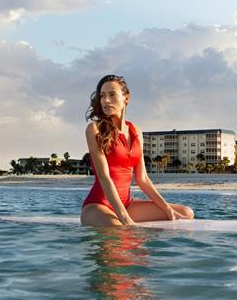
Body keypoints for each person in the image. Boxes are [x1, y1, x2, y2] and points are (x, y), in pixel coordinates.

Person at [80, 74, 194, 227]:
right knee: (121, 231)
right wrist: (125, 218)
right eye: (102, 96)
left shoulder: (135, 131)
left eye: (112, 94)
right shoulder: (94, 129)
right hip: (98, 206)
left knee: (186, 213)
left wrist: (167, 209)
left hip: (127, 204)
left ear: (126, 98)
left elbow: (143, 179)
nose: (106, 101)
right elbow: (103, 177)